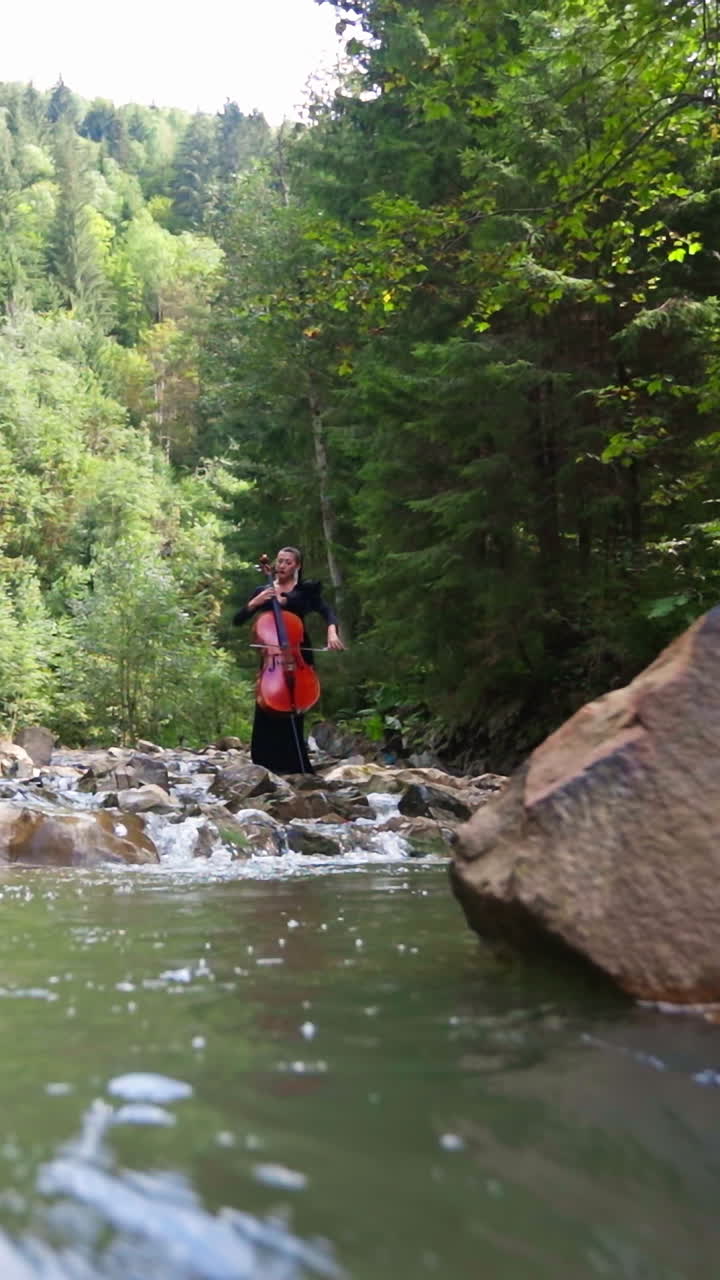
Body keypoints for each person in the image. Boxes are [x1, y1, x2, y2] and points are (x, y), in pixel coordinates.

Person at [233, 547, 344, 774]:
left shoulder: (305, 591)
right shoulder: (263, 591)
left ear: (297, 566)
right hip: (272, 659)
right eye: (280, 561)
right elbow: (238, 620)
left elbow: (327, 613)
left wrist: (332, 632)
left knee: (295, 707)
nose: (282, 565)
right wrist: (256, 602)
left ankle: (295, 765)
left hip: (297, 653)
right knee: (267, 709)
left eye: (288, 562)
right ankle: (265, 765)